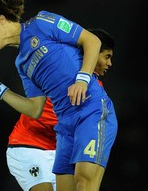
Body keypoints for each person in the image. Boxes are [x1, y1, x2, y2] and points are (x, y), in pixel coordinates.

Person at [0, 0, 118, 191]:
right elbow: (35, 109)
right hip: (65, 125)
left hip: (91, 109)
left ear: (0, 19)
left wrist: (82, 79)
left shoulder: (42, 22)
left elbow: (92, 41)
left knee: (85, 181)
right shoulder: (21, 63)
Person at [6, 28, 115, 191]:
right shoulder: (59, 73)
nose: (109, 64)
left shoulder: (94, 88)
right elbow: (39, 110)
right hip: (29, 144)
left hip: (59, 151)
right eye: (107, 56)